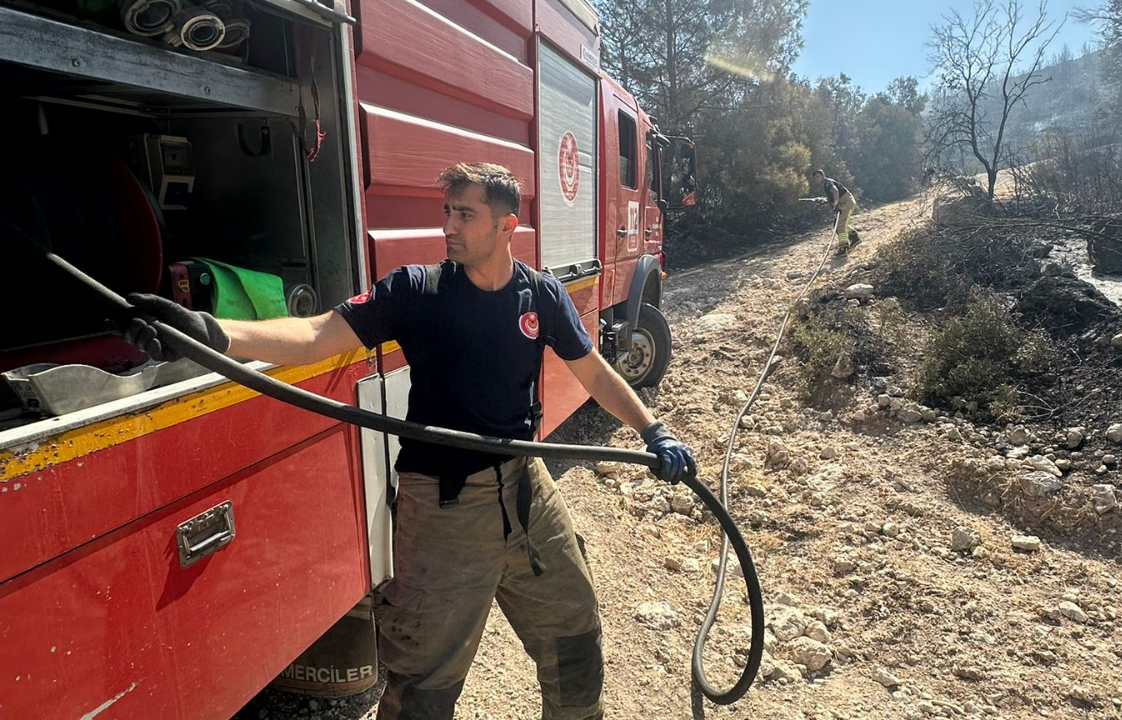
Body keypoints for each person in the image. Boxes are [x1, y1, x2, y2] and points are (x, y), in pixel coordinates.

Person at [123, 162, 697, 720]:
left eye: (464, 215)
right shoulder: (415, 291)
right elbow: (318, 334)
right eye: (446, 212)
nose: (447, 226)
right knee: (422, 687)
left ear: (506, 227)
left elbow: (594, 371)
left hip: (528, 492)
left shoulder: (540, 296)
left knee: (575, 637)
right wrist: (213, 333)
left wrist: (654, 430)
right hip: (443, 507)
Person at [811, 169, 860, 254]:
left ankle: (843, 248)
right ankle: (854, 237)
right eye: (815, 178)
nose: (817, 179)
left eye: (818, 177)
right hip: (847, 202)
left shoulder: (828, 183)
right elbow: (833, 196)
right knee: (837, 223)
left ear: (823, 176)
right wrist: (825, 200)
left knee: (840, 225)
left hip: (846, 203)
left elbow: (835, 191)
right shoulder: (827, 184)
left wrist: (836, 204)